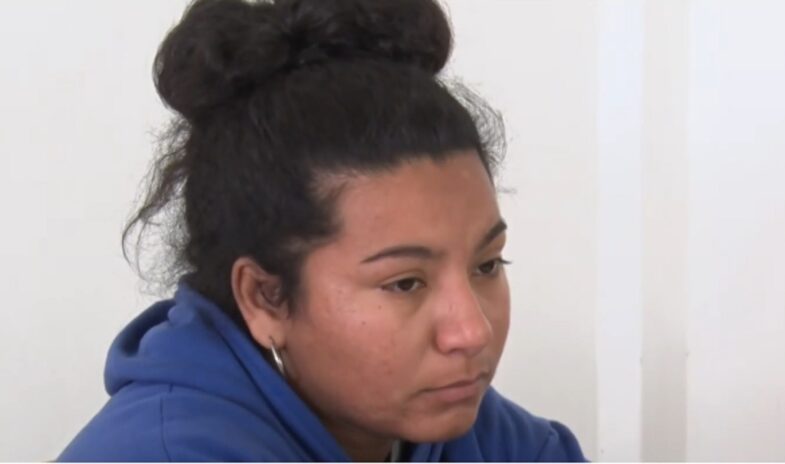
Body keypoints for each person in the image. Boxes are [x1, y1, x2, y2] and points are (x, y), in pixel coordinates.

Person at [58, 0, 586, 461]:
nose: (472, 332)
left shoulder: (488, 440)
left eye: (487, 265)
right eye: (405, 283)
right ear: (266, 298)